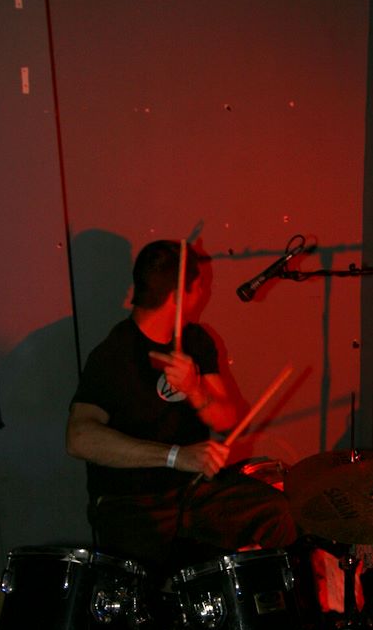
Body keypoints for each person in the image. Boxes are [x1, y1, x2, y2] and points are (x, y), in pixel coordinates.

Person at [66, 239, 298, 578]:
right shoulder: (114, 354)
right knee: (146, 586)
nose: (204, 291)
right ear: (178, 296)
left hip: (194, 491)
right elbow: (78, 438)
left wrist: (195, 389)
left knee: (278, 512)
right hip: (131, 502)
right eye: (199, 284)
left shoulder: (196, 340)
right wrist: (175, 456)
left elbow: (227, 420)